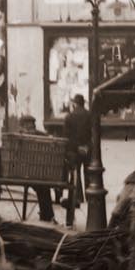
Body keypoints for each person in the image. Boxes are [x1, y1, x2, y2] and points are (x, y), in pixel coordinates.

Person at [40, 93, 94, 226]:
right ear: (83, 103)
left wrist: (77, 147)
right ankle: (89, 194)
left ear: (75, 104)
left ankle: (79, 196)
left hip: (75, 150)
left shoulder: (69, 117)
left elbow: (67, 136)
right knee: (88, 171)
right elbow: (93, 132)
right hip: (87, 148)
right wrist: (86, 146)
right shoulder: (89, 115)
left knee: (76, 171)